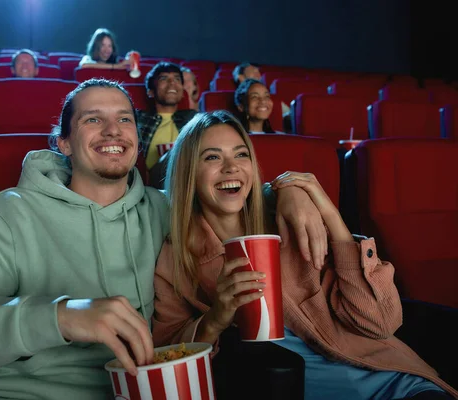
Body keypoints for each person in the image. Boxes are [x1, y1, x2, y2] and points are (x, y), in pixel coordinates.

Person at [0, 79, 333, 399]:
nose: (113, 131)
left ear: (136, 138)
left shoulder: (166, 210)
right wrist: (60, 317)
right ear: (63, 143)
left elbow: (232, 191)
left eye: (124, 120)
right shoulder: (9, 212)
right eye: (94, 119)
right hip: (10, 391)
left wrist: (287, 189)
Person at [152, 110, 458, 400]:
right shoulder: (174, 258)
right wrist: (215, 319)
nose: (231, 168)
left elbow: (379, 324)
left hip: (390, 380)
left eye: (241, 154)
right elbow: (168, 359)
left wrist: (329, 213)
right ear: (189, 172)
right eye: (212, 157)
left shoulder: (294, 223)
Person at [137, 62, 196, 187]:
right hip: (150, 187)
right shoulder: (139, 119)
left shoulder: (193, 119)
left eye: (177, 79)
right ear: (151, 92)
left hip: (188, 185)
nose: (172, 83)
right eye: (164, 78)